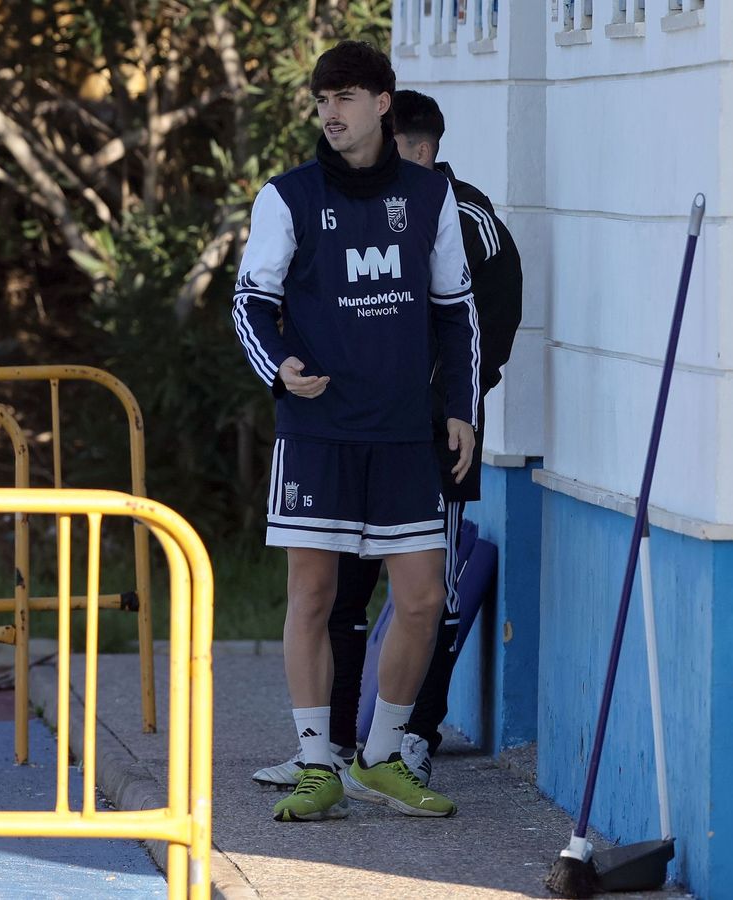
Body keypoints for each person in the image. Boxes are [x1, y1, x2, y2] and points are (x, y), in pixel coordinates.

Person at [232, 43, 481, 822]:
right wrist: (281, 366)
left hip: (406, 434)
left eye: (344, 98)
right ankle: (317, 764)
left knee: (422, 599)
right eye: (321, 101)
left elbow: (455, 312)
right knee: (312, 593)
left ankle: (382, 753)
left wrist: (461, 406)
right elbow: (249, 301)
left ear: (382, 102)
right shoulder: (288, 197)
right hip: (319, 432)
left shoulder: (429, 196)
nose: (330, 114)